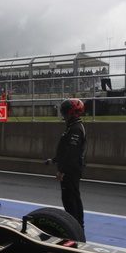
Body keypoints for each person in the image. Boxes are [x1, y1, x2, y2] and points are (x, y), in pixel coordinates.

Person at [45, 98, 87, 229]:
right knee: (71, 197)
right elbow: (65, 150)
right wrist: (54, 160)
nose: (63, 115)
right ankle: (77, 225)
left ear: (71, 113)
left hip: (71, 170)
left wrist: (61, 170)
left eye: (64, 112)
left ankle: (75, 226)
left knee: (71, 199)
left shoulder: (75, 129)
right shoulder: (72, 127)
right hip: (70, 168)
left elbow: (71, 153)